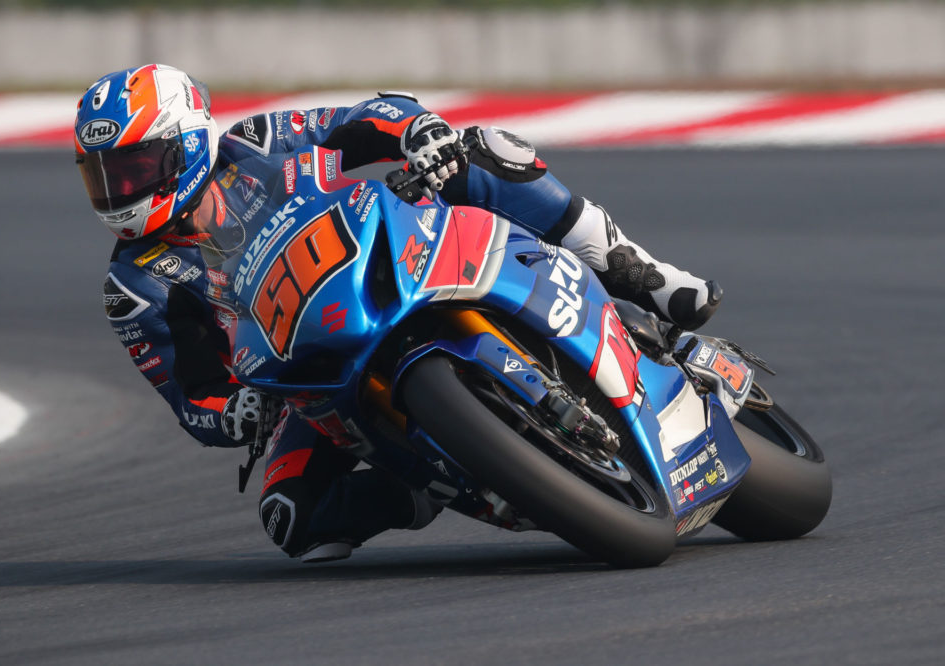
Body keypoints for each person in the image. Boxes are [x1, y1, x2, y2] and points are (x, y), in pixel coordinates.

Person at [75, 64, 721, 562]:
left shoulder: (257, 143)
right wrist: (236, 412)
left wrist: (417, 132)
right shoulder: (134, 284)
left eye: (132, 168)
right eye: (101, 174)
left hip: (397, 253)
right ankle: (433, 482)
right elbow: (192, 399)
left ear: (185, 145)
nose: (117, 192)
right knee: (292, 520)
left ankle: (643, 275)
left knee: (483, 151)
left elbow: (367, 115)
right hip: (309, 376)